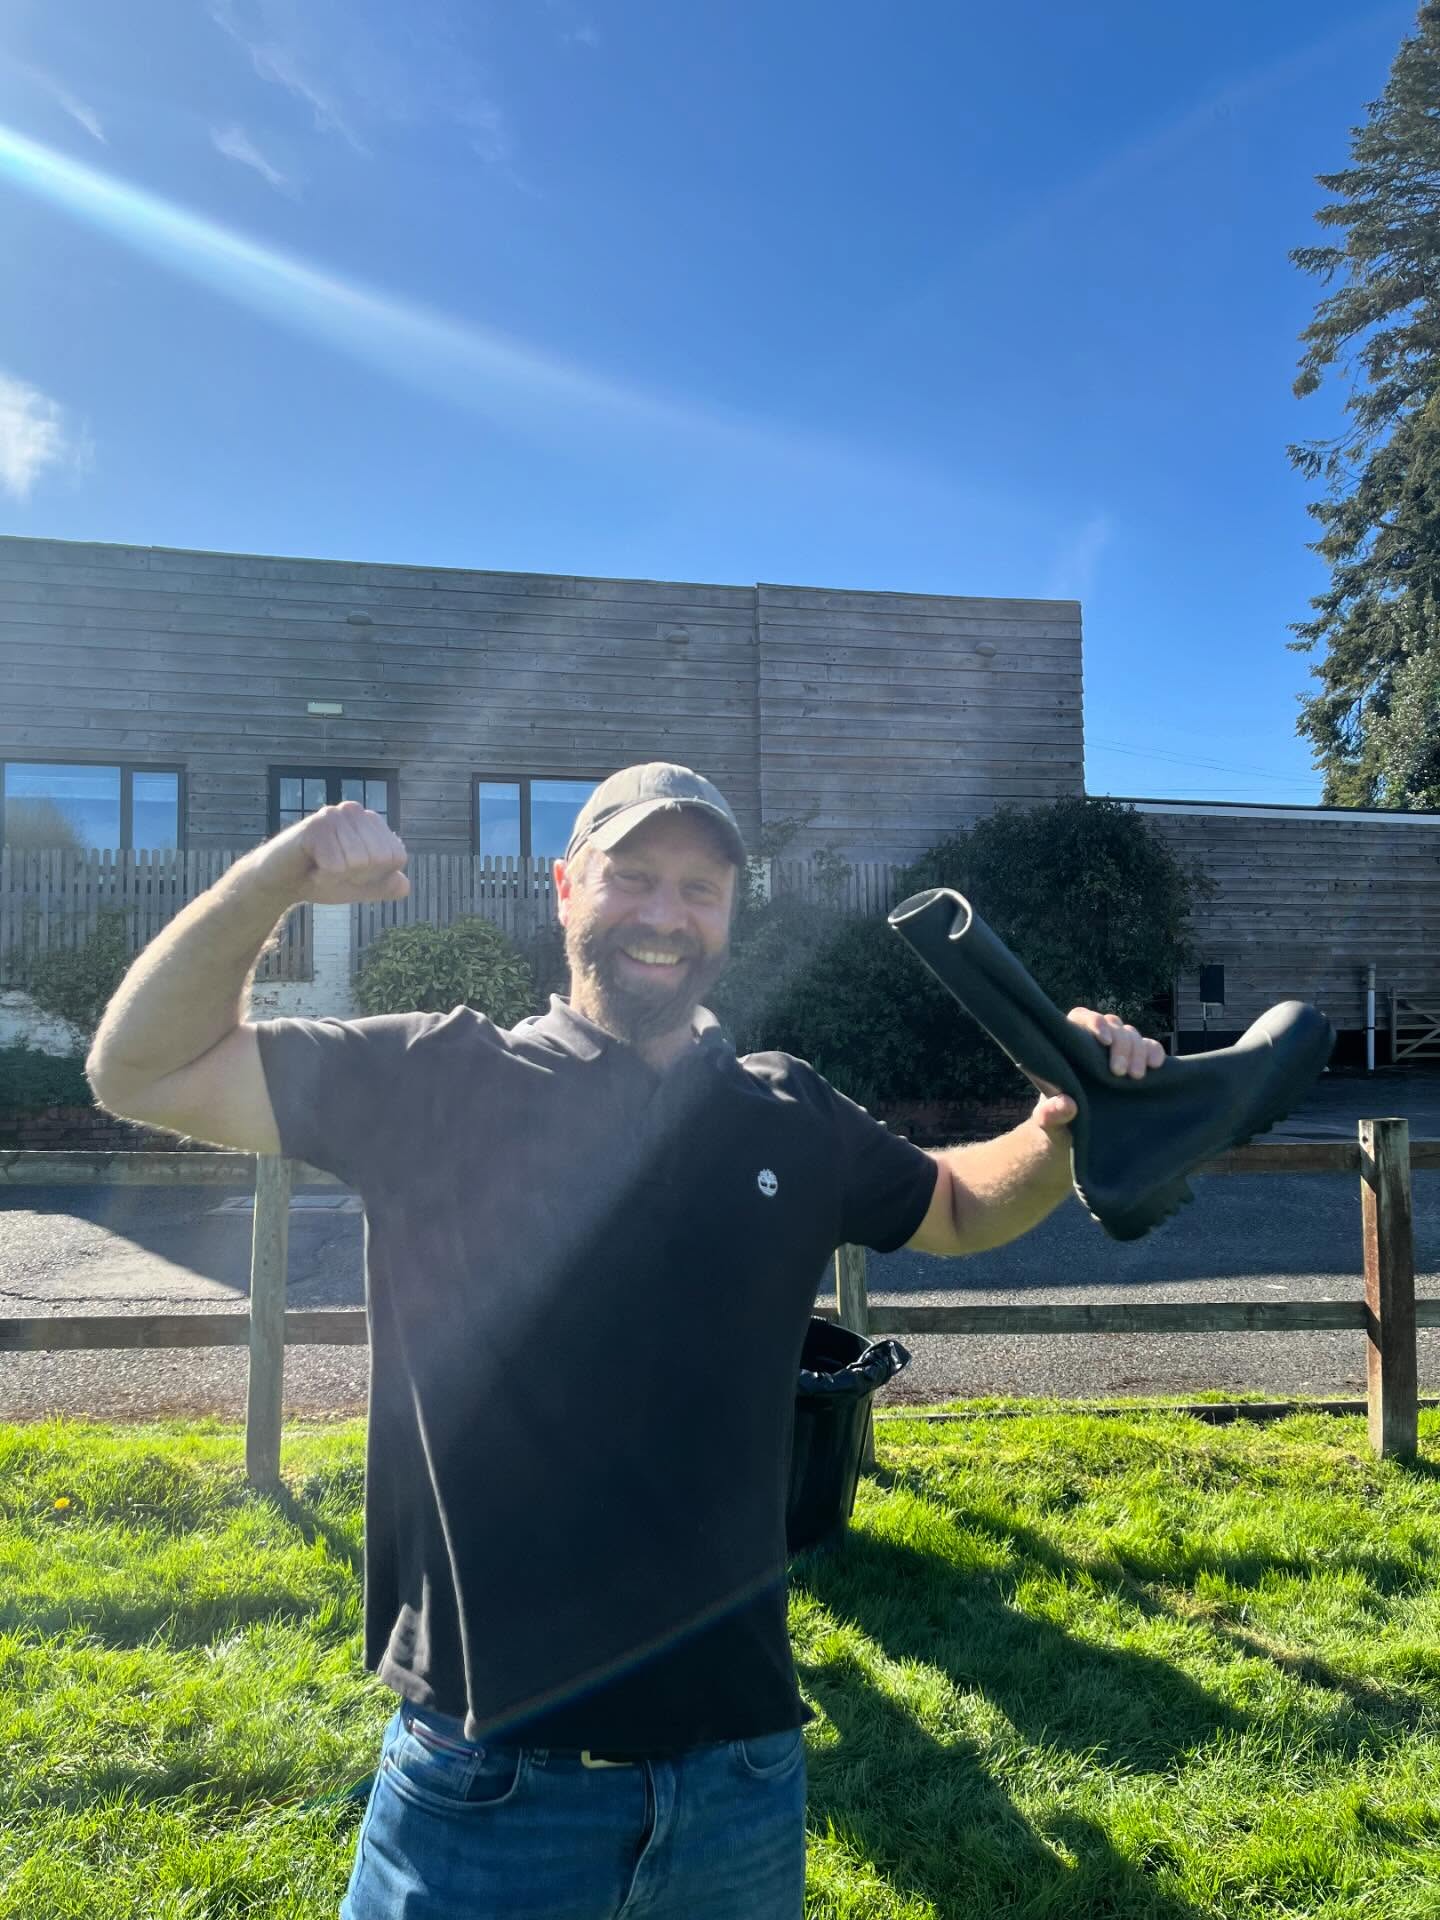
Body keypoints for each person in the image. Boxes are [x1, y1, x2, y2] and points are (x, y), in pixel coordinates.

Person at [86, 761, 1164, 1920]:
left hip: (740, 1780)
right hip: (487, 1788)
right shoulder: (432, 1078)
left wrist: (1057, 1127)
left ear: (731, 913)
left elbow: (957, 1205)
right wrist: (274, 881)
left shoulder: (785, 1111)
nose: (666, 914)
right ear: (563, 888)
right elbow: (140, 1068)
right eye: (632, 877)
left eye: (700, 888)